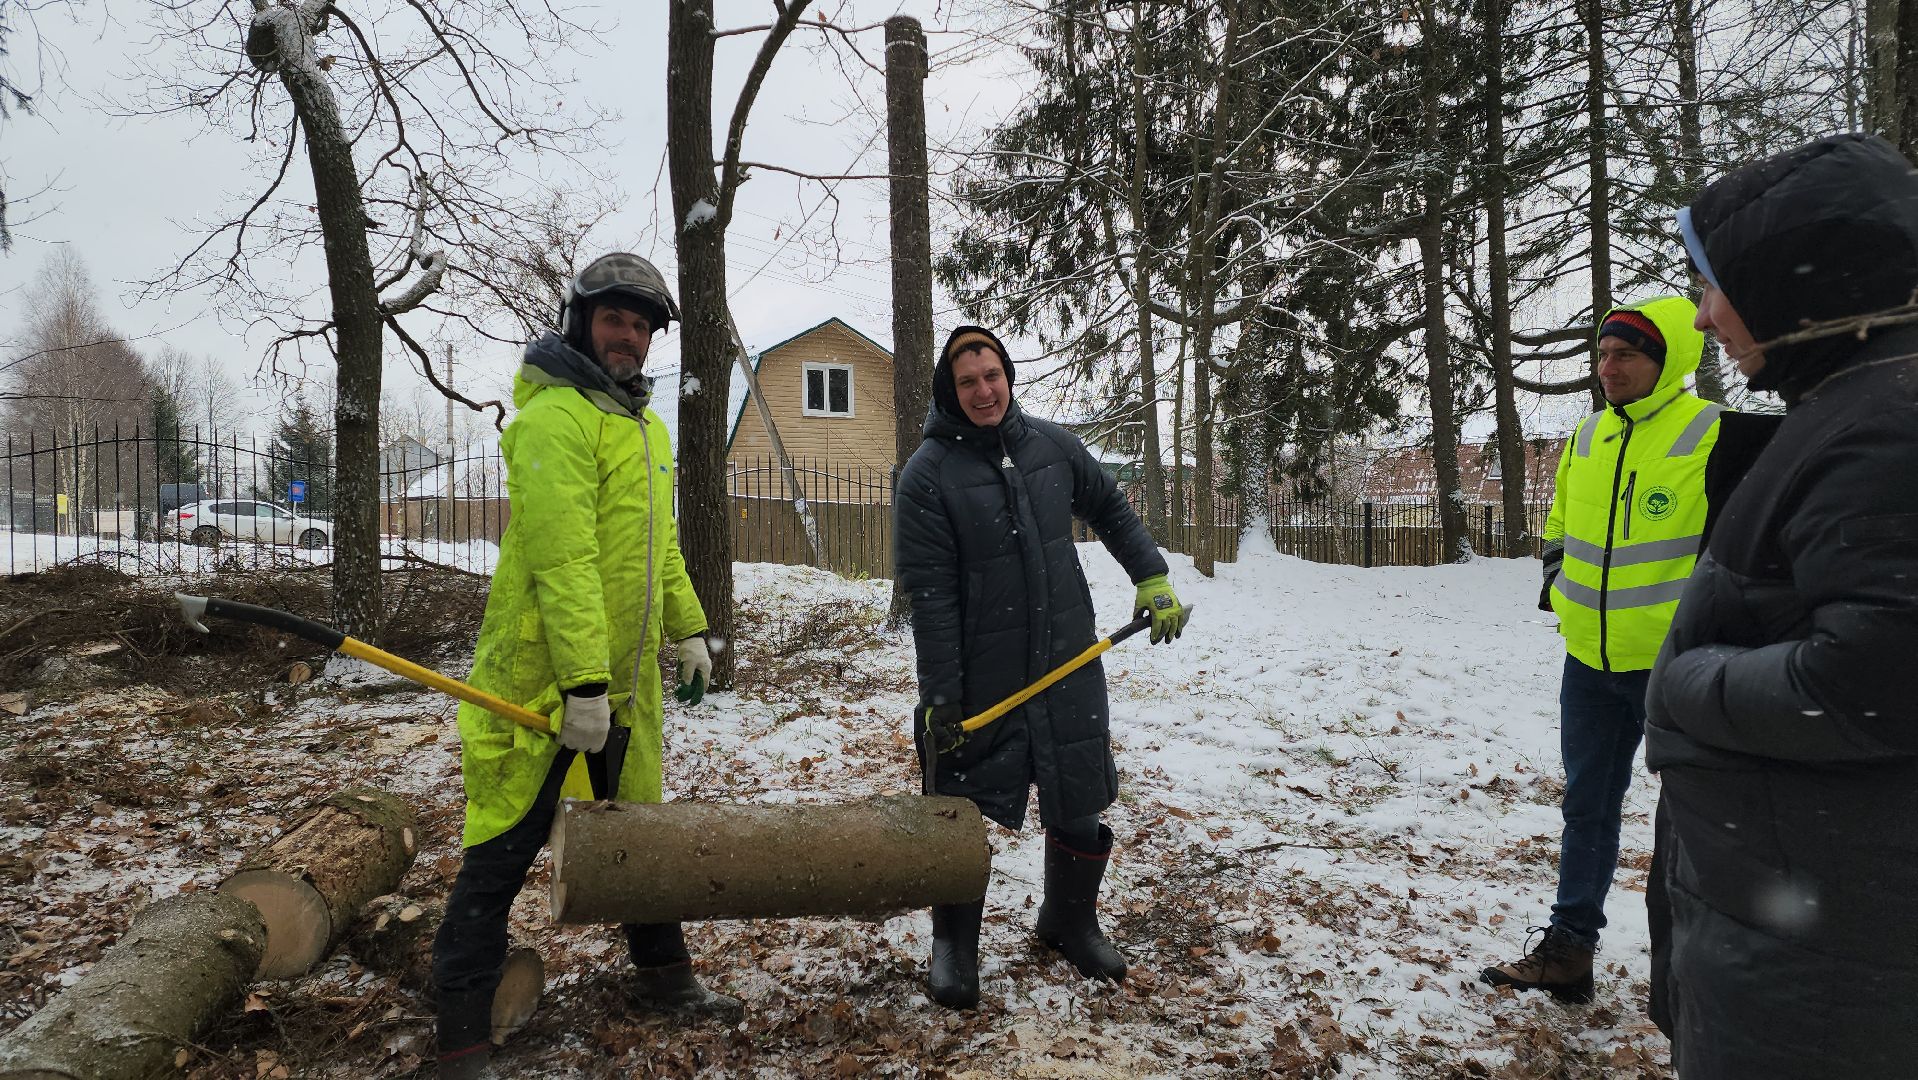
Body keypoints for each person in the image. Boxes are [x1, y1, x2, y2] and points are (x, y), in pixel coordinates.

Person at [1645, 132, 1918, 1078]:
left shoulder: (1885, 424)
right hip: (1802, 914)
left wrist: (1687, 688)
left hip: (1828, 964)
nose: (1706, 312)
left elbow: (1875, 677)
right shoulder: (1855, 403)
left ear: (1794, 285)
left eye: (1717, 284)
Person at [431, 253, 728, 1079]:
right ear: (580, 322)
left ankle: (666, 984)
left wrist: (689, 631)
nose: (628, 337)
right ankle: (458, 1041)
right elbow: (565, 562)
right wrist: (580, 684)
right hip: (541, 686)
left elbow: (659, 547)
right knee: (501, 852)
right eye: (614, 320)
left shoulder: (643, 428)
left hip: (619, 690)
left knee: (639, 839)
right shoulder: (551, 419)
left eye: (641, 325)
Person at [892, 325, 1191, 1011]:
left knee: (1077, 789)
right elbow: (930, 595)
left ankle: (1069, 920)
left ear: (1008, 374)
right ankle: (954, 945)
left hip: (1067, 656)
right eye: (967, 381)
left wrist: (1151, 577)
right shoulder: (927, 476)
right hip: (980, 673)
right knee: (960, 807)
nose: (983, 390)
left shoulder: (1052, 447)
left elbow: (1112, 507)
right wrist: (941, 695)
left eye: (991, 374)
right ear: (950, 388)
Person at [1479, 295, 1732, 1004]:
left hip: (1674, 669)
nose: (1608, 367)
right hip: (1587, 662)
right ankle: (1568, 951)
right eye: (1603, 354)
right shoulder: (1588, 437)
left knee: (1698, 825)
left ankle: (1695, 982)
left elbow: (1742, 550)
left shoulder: (1713, 435)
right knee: (1587, 808)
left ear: (1668, 361)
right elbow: (1559, 522)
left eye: (1626, 355)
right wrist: (1559, 583)